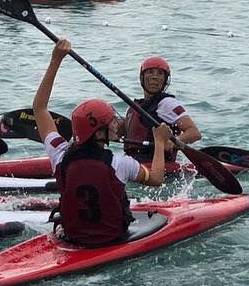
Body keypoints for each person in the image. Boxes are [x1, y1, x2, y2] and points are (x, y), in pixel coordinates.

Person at [32, 39, 169, 247]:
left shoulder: (58, 153)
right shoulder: (120, 163)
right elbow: (157, 178)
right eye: (110, 122)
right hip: (112, 239)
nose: (116, 124)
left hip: (72, 238)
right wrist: (159, 142)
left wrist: (55, 61)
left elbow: (40, 108)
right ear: (98, 134)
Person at [121, 56, 201, 173]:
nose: (154, 77)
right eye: (150, 72)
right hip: (133, 163)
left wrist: (173, 142)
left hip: (158, 167)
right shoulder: (135, 107)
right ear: (142, 77)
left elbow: (194, 133)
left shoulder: (167, 103)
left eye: (160, 74)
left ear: (165, 80)